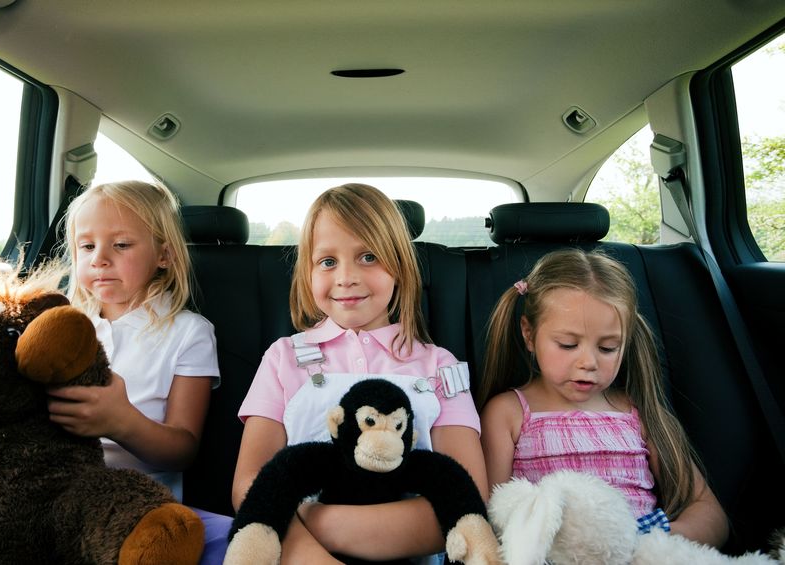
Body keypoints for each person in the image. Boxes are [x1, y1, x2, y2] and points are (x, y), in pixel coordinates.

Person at [232, 183, 488, 563]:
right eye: (328, 262)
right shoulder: (282, 358)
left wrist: (318, 520)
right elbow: (249, 484)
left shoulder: (439, 365)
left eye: (368, 257)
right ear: (308, 272)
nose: (346, 277)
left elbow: (468, 497)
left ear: (399, 265)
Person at [476, 248, 729, 548]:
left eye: (608, 348)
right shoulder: (509, 414)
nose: (589, 362)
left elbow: (710, 515)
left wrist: (646, 545)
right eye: (568, 345)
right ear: (529, 335)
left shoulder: (637, 412)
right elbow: (492, 519)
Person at [49, 180, 230, 561]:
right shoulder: (64, 323)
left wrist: (121, 422)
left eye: (121, 245)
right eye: (87, 246)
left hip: (140, 503)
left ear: (163, 255)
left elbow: (182, 451)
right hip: (55, 489)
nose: (99, 258)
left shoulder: (188, 332)